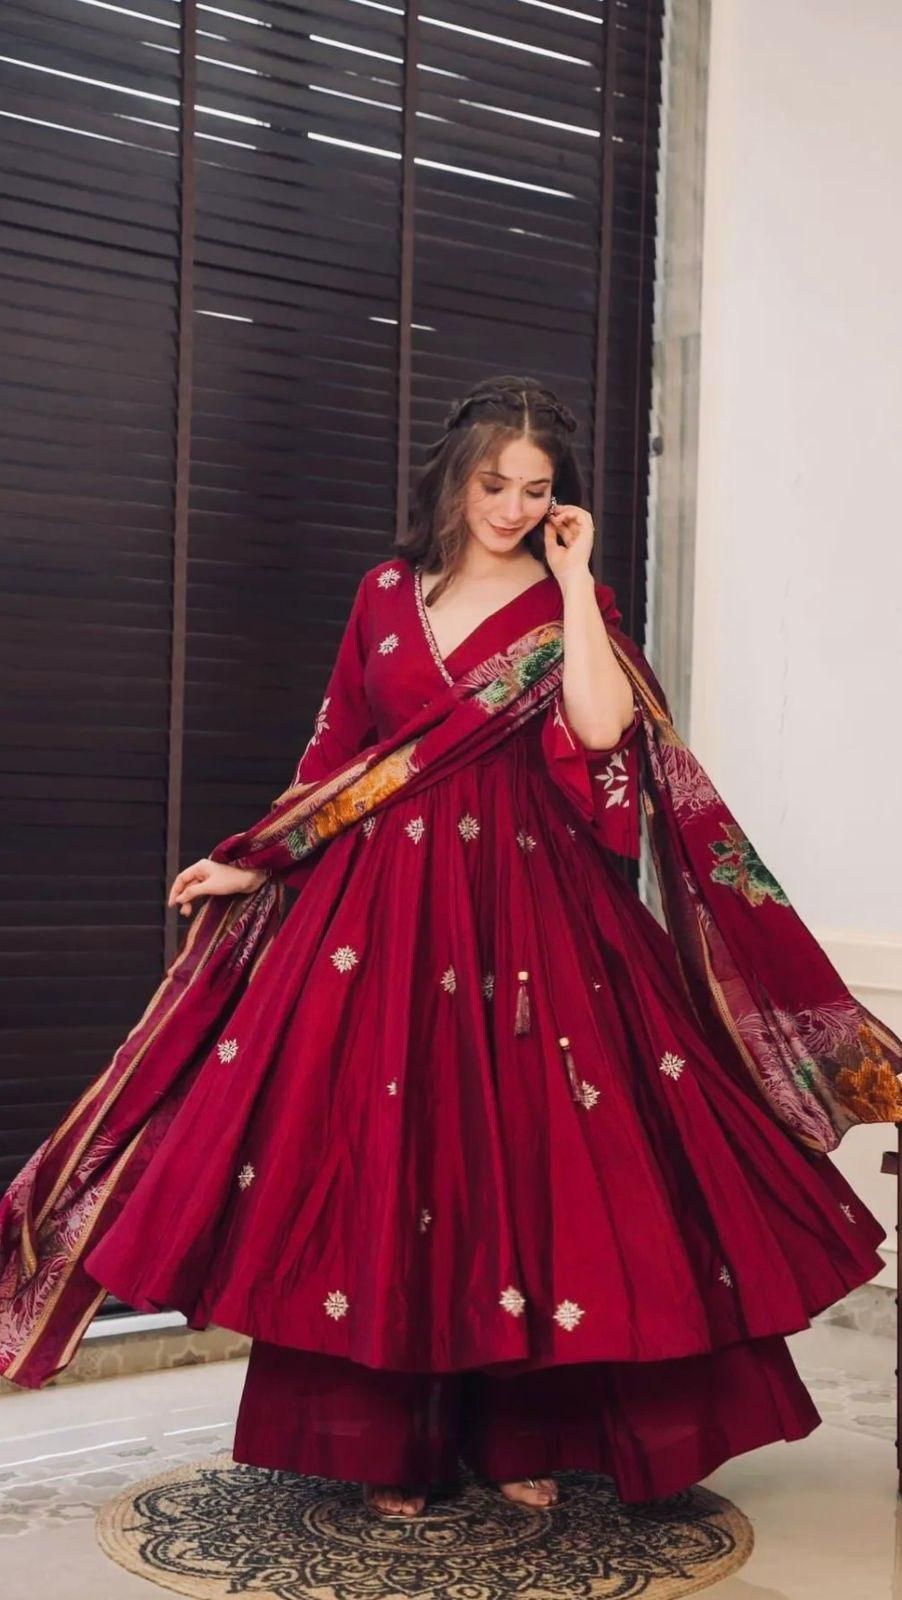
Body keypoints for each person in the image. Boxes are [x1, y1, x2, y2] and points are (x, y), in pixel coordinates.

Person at [2, 375, 901, 1523]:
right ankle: (395, 1445)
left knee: (527, 1165)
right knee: (395, 1160)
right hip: (379, 916)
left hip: (530, 915)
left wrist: (573, 581)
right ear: (453, 479)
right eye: (494, 485)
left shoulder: (565, 604)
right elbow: (337, 748)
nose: (513, 508)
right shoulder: (385, 594)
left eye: (535, 490)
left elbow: (600, 728)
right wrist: (257, 858)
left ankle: (527, 1432)